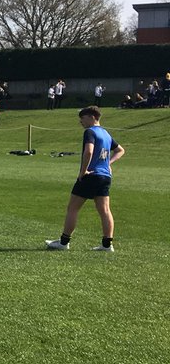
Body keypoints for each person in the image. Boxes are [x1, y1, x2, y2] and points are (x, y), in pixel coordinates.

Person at [45, 106, 125, 253]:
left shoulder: (90, 132)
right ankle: (107, 245)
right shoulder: (106, 134)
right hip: (105, 176)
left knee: (73, 208)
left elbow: (89, 151)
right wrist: (108, 163)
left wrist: (83, 171)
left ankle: (64, 242)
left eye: (82, 118)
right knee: (105, 210)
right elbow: (120, 150)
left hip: (91, 175)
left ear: (91, 117)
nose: (80, 121)